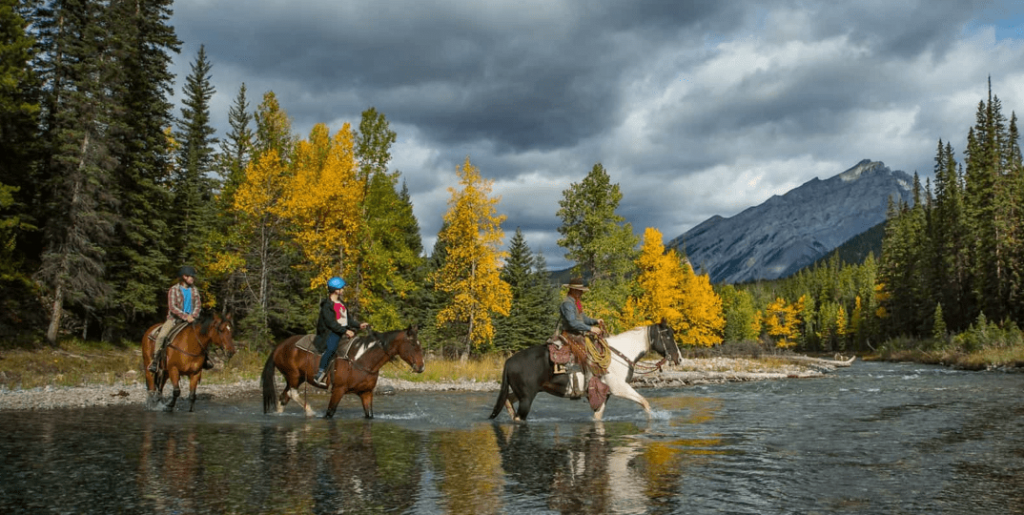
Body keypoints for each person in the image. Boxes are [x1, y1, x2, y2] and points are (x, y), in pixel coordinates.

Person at [311, 276, 368, 387]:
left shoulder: (341, 304)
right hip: (330, 332)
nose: (343, 289)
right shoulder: (327, 306)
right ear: (336, 290)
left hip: (341, 331)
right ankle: (320, 373)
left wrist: (359, 325)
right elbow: (331, 324)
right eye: (341, 288)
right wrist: (345, 331)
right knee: (331, 349)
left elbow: (348, 320)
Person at [148, 266, 203, 374]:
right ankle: (155, 360)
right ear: (184, 277)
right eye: (191, 277)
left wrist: (193, 316)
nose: (193, 279)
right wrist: (185, 316)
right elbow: (172, 307)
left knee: (204, 336)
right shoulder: (174, 290)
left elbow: (198, 304)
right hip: (175, 319)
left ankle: (205, 360)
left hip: (192, 319)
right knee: (162, 336)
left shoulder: (194, 290)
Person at [556, 277, 604, 397]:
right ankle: (588, 388)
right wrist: (590, 329)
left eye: (581, 290)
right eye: (579, 290)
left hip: (577, 334)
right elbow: (572, 323)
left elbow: (583, 319)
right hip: (570, 335)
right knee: (587, 356)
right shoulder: (567, 303)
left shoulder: (575, 303)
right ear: (572, 290)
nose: (581, 293)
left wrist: (595, 321)